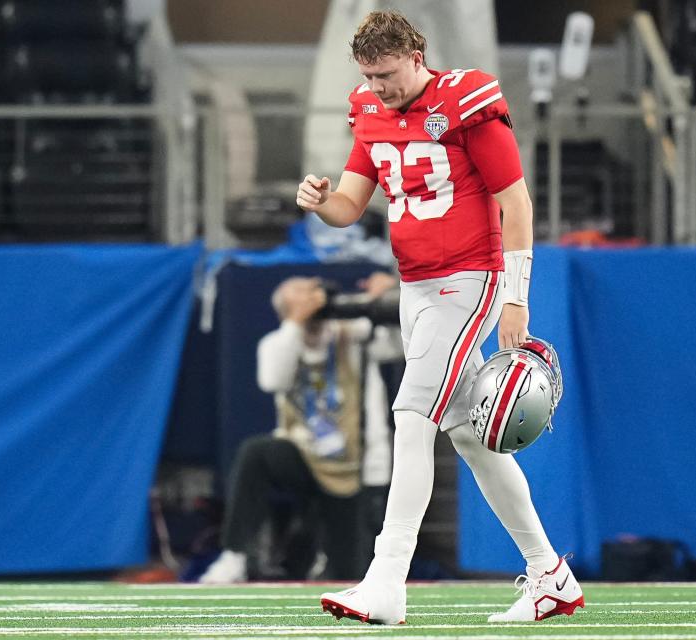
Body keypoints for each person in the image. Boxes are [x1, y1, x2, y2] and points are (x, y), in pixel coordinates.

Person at [295, 10, 583, 625]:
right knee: (472, 440)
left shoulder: (465, 102)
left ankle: (386, 579)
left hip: (468, 279)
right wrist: (322, 203)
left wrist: (515, 295)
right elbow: (352, 204)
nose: (380, 87)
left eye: (390, 74)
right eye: (370, 76)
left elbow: (516, 202)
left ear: (417, 56)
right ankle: (549, 574)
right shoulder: (369, 110)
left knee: (410, 415)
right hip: (417, 285)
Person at [199, 277, 376, 583]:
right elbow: (273, 380)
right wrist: (295, 322)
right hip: (301, 455)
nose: (311, 294)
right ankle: (234, 554)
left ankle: (315, 562)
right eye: (299, 293)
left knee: (350, 572)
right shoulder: (277, 343)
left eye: (313, 290)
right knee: (256, 452)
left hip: (350, 464)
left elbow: (396, 341)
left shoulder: (351, 336)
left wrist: (380, 296)